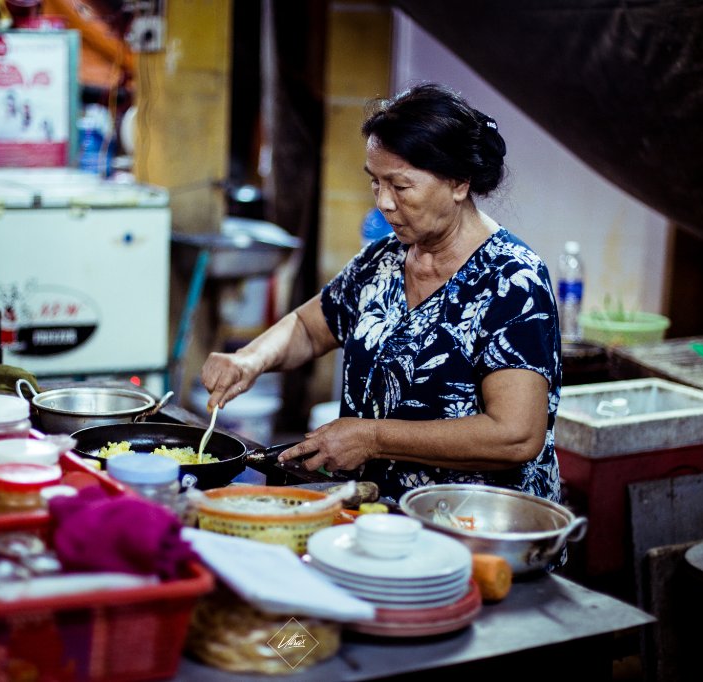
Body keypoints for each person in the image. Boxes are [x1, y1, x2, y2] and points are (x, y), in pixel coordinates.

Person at [200, 82, 563, 506]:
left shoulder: (511, 280)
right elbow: (309, 327)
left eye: (401, 186)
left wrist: (372, 438)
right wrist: (249, 359)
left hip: (474, 527)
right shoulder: (384, 260)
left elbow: (515, 435)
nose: (384, 203)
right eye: (375, 183)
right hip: (377, 514)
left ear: (460, 182)